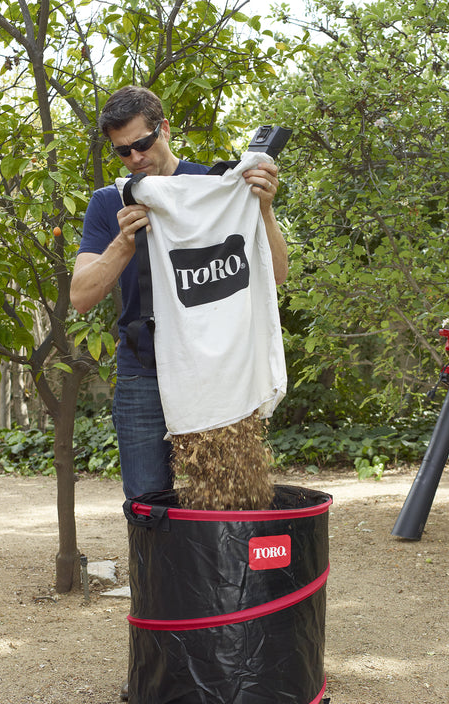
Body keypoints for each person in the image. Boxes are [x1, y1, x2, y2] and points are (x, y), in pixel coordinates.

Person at [71, 85, 289, 500]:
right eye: (122, 152)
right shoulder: (110, 201)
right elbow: (81, 297)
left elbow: (276, 274)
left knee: (226, 496)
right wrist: (124, 241)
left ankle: (222, 568)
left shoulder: (215, 188)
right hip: (143, 371)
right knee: (147, 503)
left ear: (164, 129)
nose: (135, 158)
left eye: (142, 144)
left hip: (216, 369)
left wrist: (263, 209)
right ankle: (155, 568)